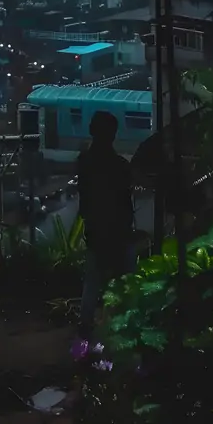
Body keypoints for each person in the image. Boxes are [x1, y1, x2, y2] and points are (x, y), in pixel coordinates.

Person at [77, 110, 135, 337]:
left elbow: (86, 201)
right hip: (119, 231)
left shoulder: (84, 162)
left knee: (92, 282)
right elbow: (124, 199)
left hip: (96, 230)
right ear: (113, 135)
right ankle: (123, 327)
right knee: (125, 281)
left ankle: (85, 330)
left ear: (92, 131)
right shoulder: (120, 165)